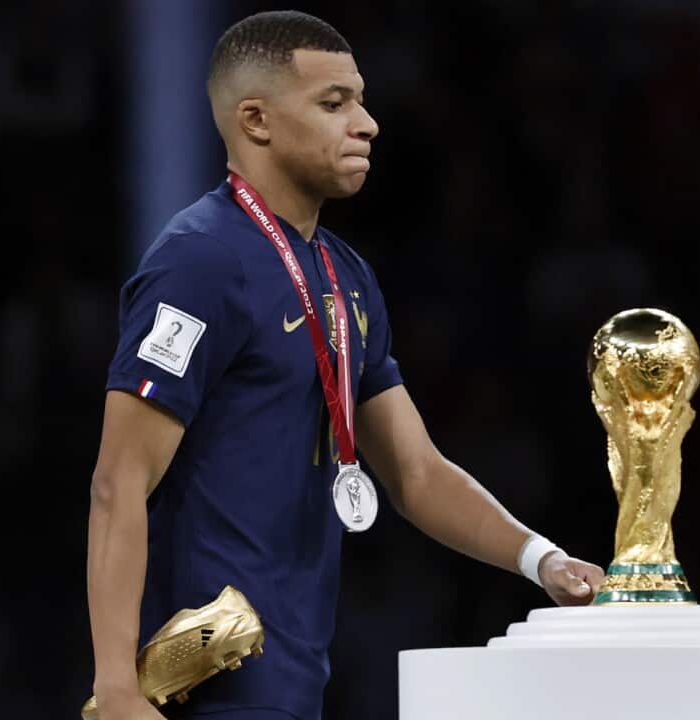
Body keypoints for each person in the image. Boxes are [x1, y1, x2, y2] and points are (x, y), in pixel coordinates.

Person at [86, 10, 604, 720]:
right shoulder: (199, 262)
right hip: (203, 681)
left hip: (296, 676)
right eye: (334, 104)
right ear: (256, 121)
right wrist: (115, 686)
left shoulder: (344, 278)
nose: (366, 123)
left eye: (360, 100)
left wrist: (539, 559)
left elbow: (416, 472)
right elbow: (120, 479)